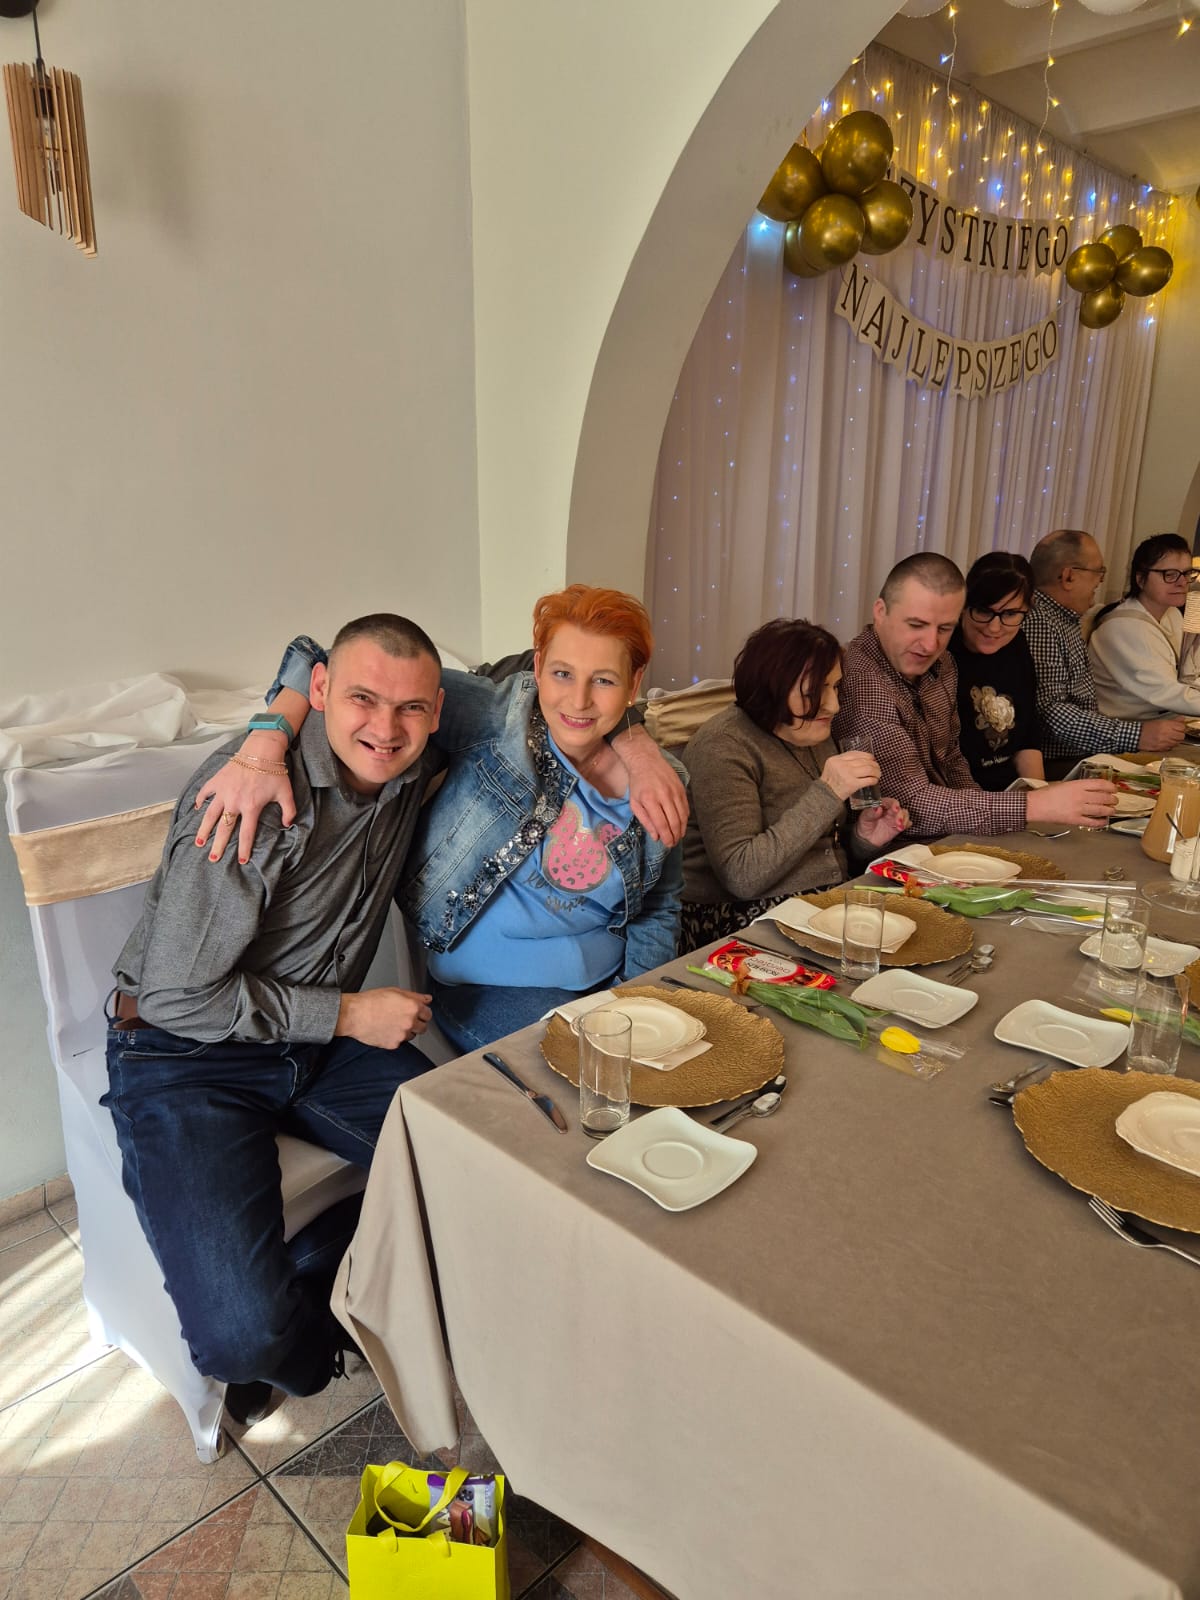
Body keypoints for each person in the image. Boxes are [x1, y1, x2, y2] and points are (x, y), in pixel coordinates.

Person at [104, 615, 448, 1422]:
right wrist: (350, 1013)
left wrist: (636, 747)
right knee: (240, 1340)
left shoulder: (412, 757)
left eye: (412, 708)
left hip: (313, 1047)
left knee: (475, 1164)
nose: (387, 728)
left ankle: (310, 1268)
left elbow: (553, 684)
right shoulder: (253, 801)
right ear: (321, 691)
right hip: (185, 1055)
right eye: (362, 699)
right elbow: (176, 998)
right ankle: (303, 1329)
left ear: (437, 711)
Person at [198, 587, 687, 1056]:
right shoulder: (497, 716)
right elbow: (325, 660)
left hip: (607, 986)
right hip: (490, 989)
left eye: (604, 681)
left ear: (633, 685)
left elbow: (657, 907)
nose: (578, 701)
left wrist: (641, 1001)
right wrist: (267, 738)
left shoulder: (666, 782)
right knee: (595, 1077)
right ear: (538, 667)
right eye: (562, 673)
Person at [833, 552, 1117, 839]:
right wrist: (1033, 806)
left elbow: (953, 760)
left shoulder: (942, 663)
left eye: (945, 628)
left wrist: (992, 831)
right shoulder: (863, 682)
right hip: (896, 845)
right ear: (880, 611)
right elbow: (912, 803)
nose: (931, 645)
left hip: (947, 834)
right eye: (916, 625)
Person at [678, 618, 909, 948]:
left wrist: (862, 838)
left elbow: (817, 851)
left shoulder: (809, 731)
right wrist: (829, 791)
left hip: (817, 900)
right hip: (736, 917)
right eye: (814, 692)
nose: (834, 705)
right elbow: (741, 876)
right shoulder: (723, 746)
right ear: (770, 689)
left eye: (835, 687)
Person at [1023, 528, 1186, 777]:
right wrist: (1136, 735)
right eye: (1098, 571)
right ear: (1068, 577)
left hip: (1088, 748)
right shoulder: (1041, 622)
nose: (1100, 580)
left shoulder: (1062, 618)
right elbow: (1052, 713)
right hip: (1060, 760)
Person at [948, 552, 1044, 790]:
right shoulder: (943, 651)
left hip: (1011, 790)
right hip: (962, 794)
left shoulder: (1017, 644)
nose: (994, 627)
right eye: (983, 611)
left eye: (1010, 614)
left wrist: (1040, 793)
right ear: (964, 605)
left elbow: (1027, 735)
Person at [1088, 534, 1200, 721]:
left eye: (1187, 573)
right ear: (1140, 579)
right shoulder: (1124, 628)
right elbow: (1167, 692)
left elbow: (1189, 673)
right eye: (1170, 574)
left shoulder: (1171, 613)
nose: (1182, 582)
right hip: (1128, 728)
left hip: (1167, 717)